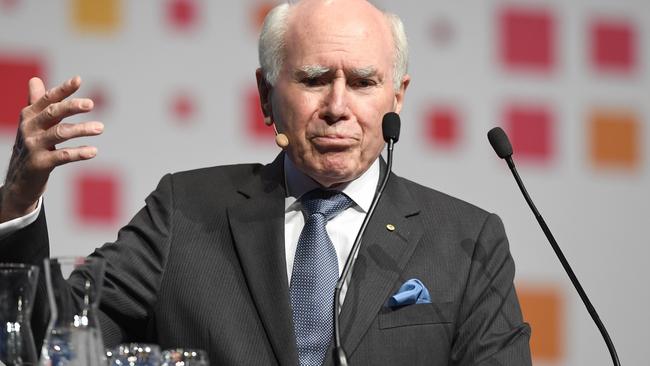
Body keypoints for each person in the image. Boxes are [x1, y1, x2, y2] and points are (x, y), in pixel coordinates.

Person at [0, 0, 532, 365]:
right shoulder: (184, 214)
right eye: (314, 79)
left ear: (397, 97)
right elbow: (53, 344)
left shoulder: (466, 242)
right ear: (266, 95)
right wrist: (20, 200)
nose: (338, 107)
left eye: (364, 82)